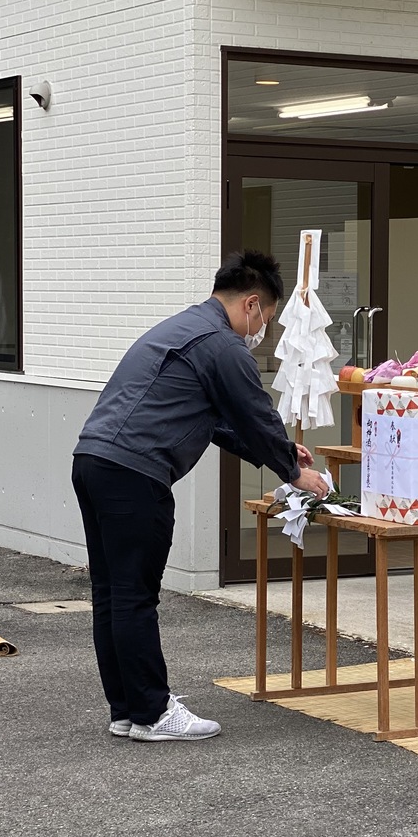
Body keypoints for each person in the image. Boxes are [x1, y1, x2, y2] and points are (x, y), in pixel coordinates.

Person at [72, 251, 326, 743]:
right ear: (252, 303)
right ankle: (152, 712)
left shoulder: (184, 328)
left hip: (95, 461)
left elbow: (213, 418)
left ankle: (127, 709)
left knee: (112, 594)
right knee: (134, 597)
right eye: (266, 319)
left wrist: (277, 451)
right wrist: (294, 472)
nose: (262, 332)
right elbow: (253, 411)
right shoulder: (222, 344)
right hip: (134, 471)